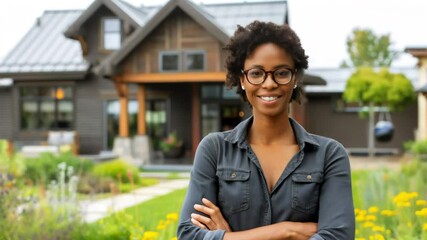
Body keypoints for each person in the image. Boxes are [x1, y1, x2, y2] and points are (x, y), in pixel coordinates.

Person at [177, 20, 355, 240]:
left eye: (281, 73)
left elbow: (338, 236)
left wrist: (229, 237)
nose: (269, 83)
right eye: (256, 73)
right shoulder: (215, 150)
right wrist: (288, 231)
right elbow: (188, 235)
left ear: (295, 79)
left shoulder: (329, 155)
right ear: (243, 80)